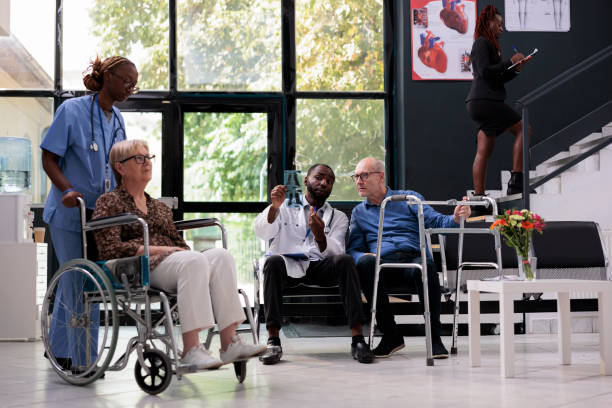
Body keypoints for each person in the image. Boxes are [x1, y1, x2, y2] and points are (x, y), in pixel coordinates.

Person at [92, 140, 266, 369]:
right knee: (192, 261)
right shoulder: (109, 202)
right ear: (120, 167)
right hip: (133, 267)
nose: (147, 162)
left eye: (148, 157)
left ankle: (229, 342)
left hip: (171, 263)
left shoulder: (159, 208)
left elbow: (178, 246)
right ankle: (191, 349)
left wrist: (186, 255)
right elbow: (110, 248)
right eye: (139, 158)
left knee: (221, 257)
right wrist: (162, 250)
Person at [41, 56, 138, 369]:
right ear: (108, 76)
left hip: (100, 215)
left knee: (92, 284)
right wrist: (67, 189)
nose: (130, 88)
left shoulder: (119, 119)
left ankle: (69, 352)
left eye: (134, 85)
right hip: (70, 211)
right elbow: (49, 157)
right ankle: (77, 357)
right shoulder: (72, 110)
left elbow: (118, 165)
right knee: (74, 282)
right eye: (126, 81)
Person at [347, 158, 471, 359]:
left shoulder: (409, 199)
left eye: (364, 175)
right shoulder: (359, 212)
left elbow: (438, 222)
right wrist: (364, 255)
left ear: (381, 177)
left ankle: (434, 338)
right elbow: (352, 250)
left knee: (426, 265)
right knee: (364, 263)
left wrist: (456, 218)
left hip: (412, 261)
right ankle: (391, 335)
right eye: (356, 177)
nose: (358, 181)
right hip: (382, 265)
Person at [254, 164, 374, 364]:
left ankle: (358, 339)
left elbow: (337, 251)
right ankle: (273, 341)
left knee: (345, 261)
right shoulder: (284, 206)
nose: (324, 183)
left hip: (319, 267)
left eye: (329, 181)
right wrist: (274, 208)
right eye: (319, 178)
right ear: (305, 181)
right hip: (287, 265)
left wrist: (320, 238)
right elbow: (262, 233)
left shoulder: (338, 217)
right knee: (273, 261)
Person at [466, 5, 531, 199]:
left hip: (480, 102)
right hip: (485, 100)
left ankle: (478, 198)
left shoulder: (490, 46)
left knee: (484, 147)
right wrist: (509, 62)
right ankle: (516, 183)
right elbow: (485, 71)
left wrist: (516, 68)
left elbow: (497, 78)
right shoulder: (481, 43)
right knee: (523, 129)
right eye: (499, 24)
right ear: (488, 23)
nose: (502, 28)